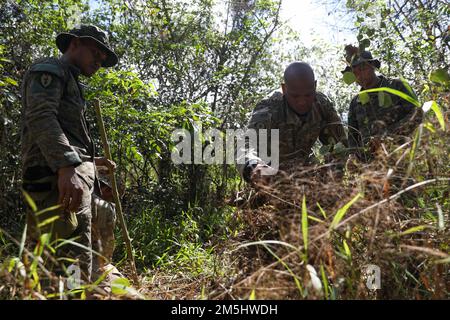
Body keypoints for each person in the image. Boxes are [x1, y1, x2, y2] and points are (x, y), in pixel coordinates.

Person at [21, 25, 118, 284]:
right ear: (74, 44)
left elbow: (68, 135)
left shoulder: (70, 79)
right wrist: (66, 167)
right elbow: (41, 116)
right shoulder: (51, 70)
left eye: (103, 59)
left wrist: (91, 166)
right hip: (55, 179)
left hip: (68, 175)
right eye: (95, 53)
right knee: (67, 262)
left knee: (74, 256)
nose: (99, 61)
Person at [239, 62, 348, 183]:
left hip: (305, 168)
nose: (302, 102)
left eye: (308, 95)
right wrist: (253, 166)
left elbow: (339, 146)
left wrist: (334, 178)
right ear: (284, 89)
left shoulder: (322, 105)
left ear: (315, 86)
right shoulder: (269, 108)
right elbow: (246, 145)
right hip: (269, 173)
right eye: (295, 96)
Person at [343, 45, 423, 161]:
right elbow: (353, 137)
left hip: (403, 156)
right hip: (372, 167)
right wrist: (353, 157)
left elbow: (417, 114)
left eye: (362, 69)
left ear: (372, 67)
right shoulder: (355, 103)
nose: (359, 75)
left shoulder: (397, 86)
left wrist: (388, 136)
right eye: (355, 72)